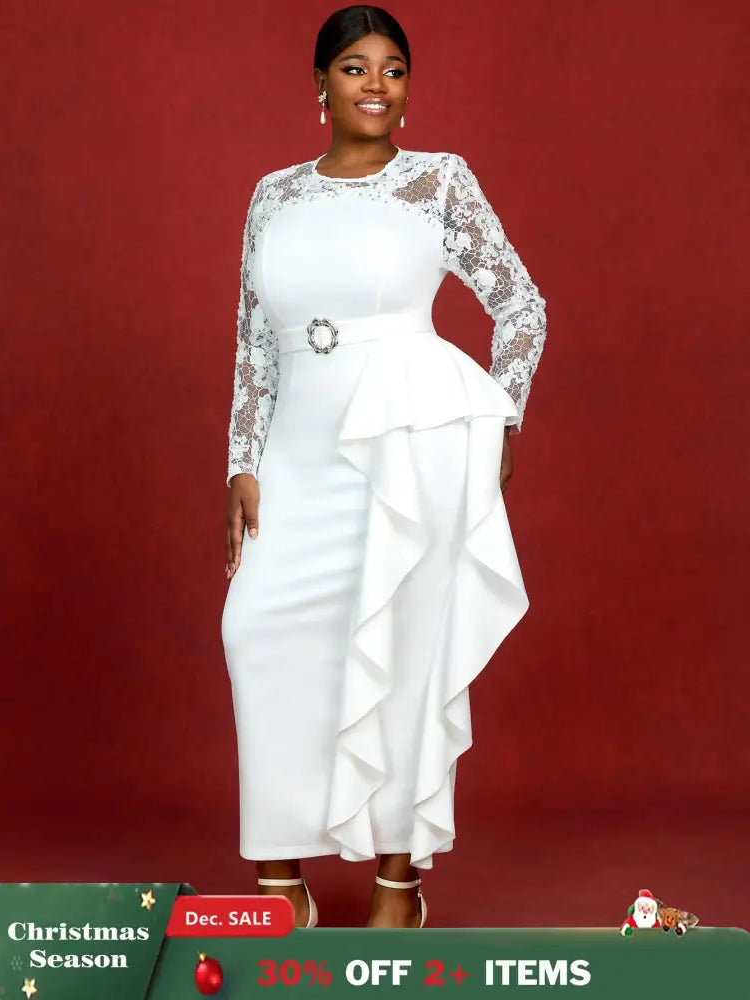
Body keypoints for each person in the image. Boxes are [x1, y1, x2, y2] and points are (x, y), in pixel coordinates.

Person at [221, 4, 547, 929]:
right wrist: (240, 461)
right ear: (319, 84)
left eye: (393, 69)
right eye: (355, 67)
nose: (376, 85)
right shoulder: (273, 194)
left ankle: (398, 884)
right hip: (297, 449)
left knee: (404, 653)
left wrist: (498, 417)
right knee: (256, 633)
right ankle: (278, 882)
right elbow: (254, 343)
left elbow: (520, 305)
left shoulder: (438, 181)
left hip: (411, 445)